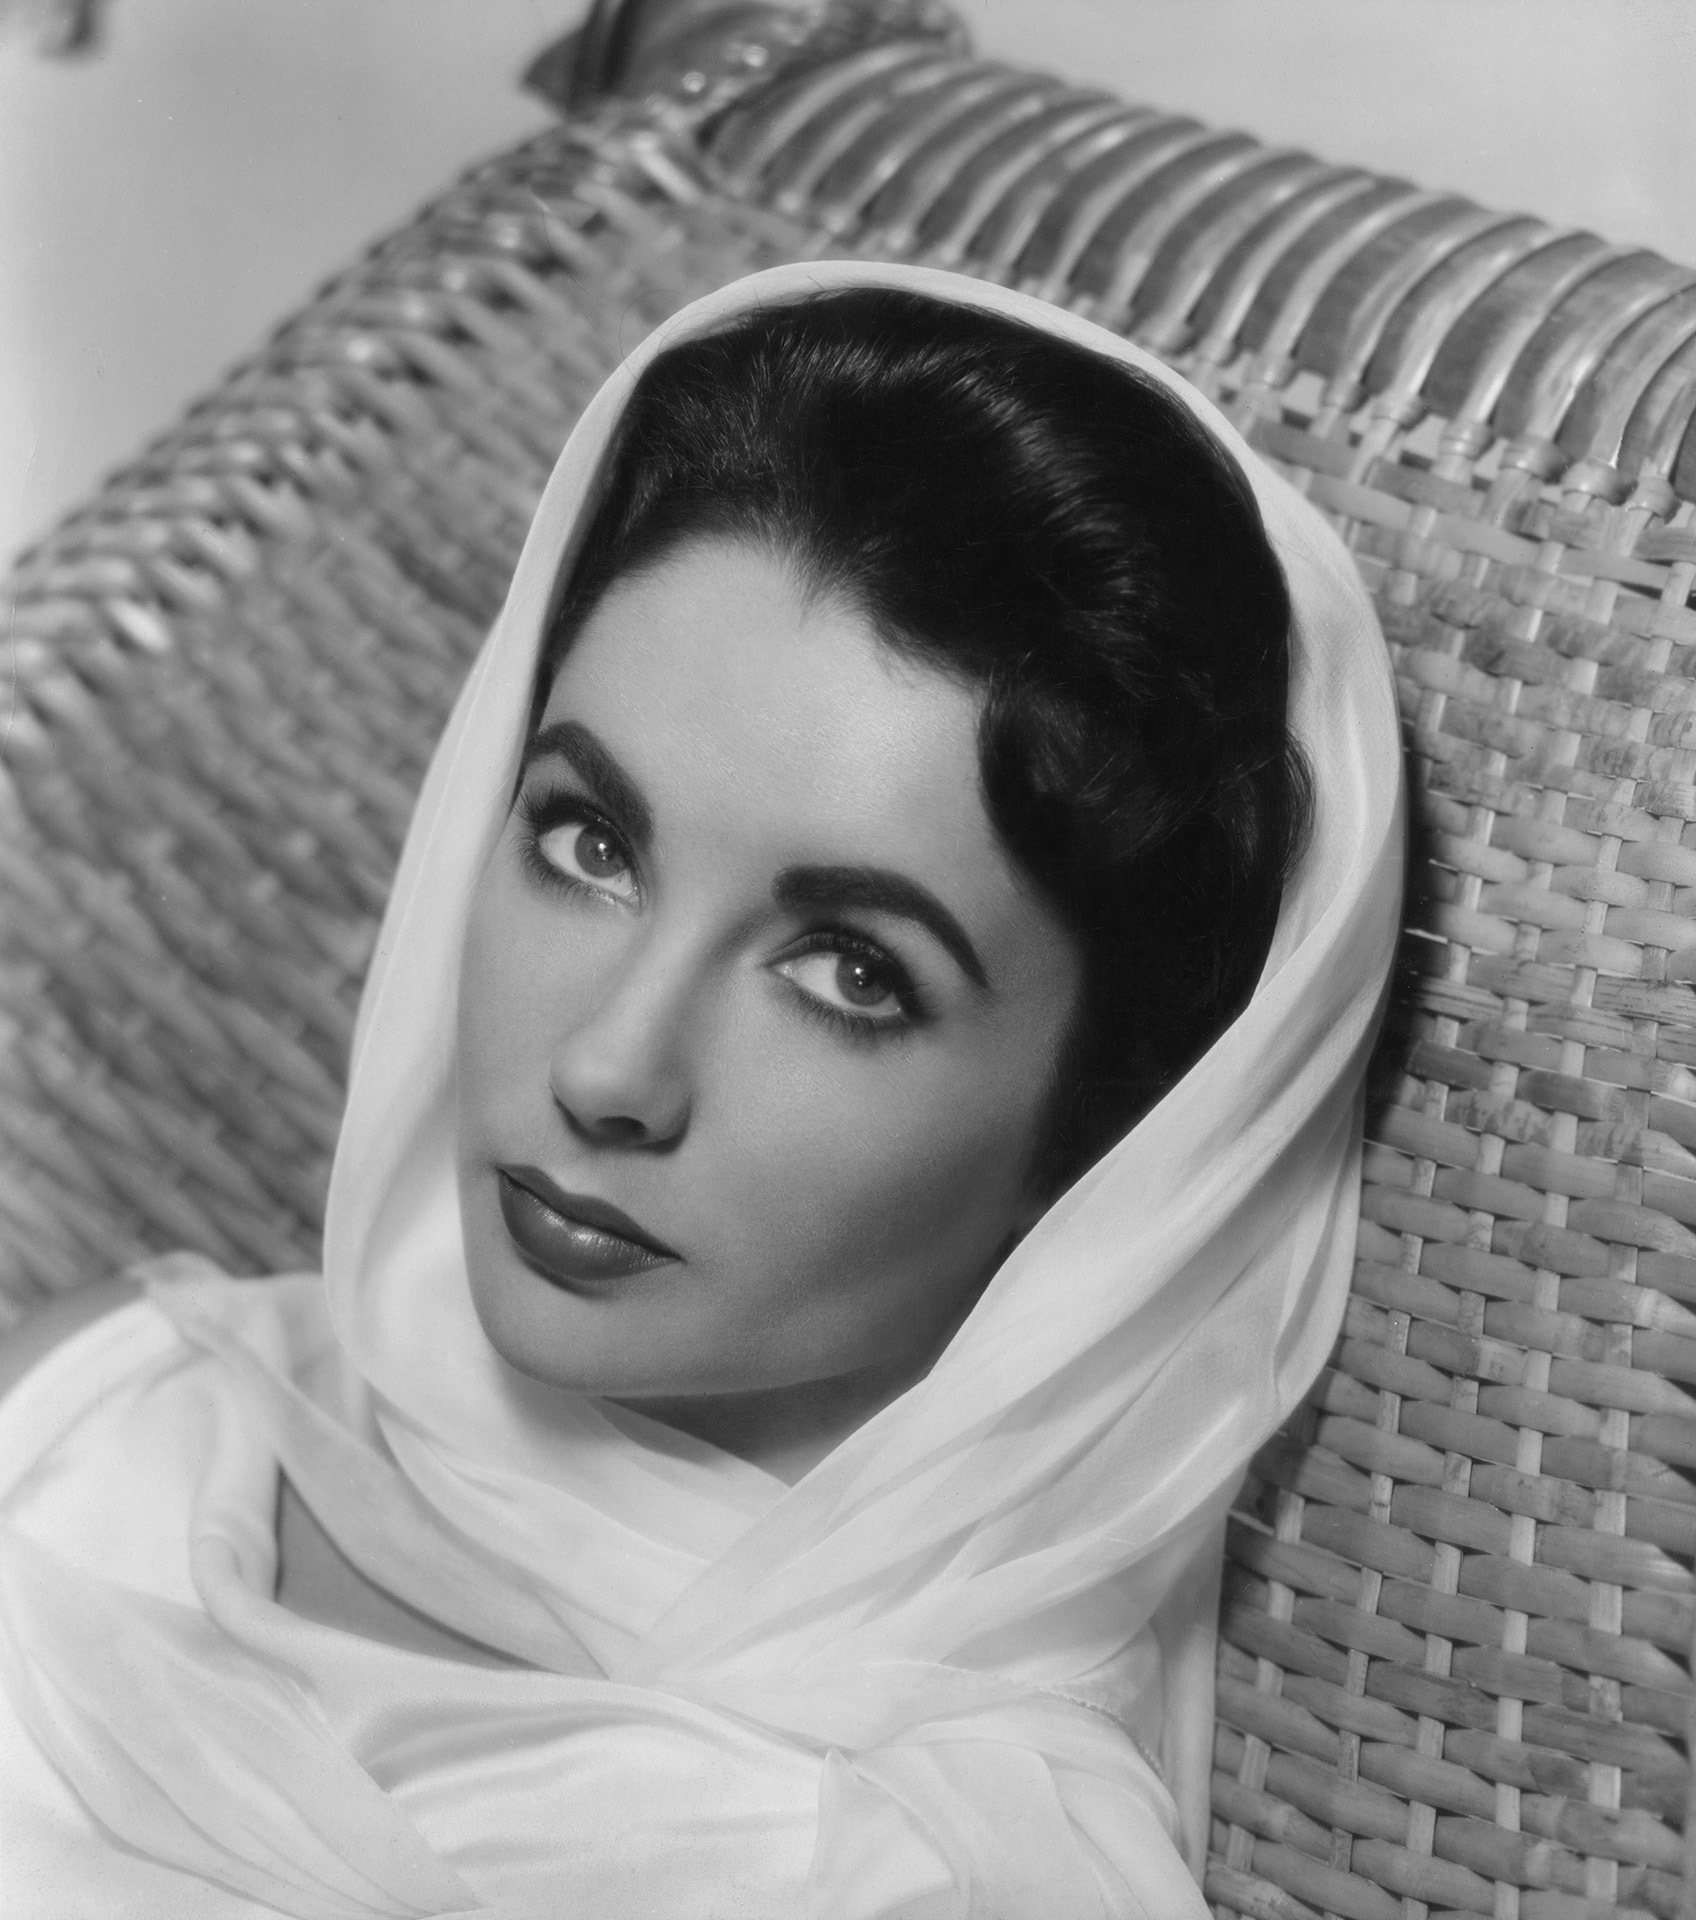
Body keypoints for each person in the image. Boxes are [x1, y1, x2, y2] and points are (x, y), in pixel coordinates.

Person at [0, 260, 1403, 1918]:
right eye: (588, 843)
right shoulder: (113, 1409)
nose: (608, 1068)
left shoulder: (919, 1873)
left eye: (851, 972)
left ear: (1110, 1135)